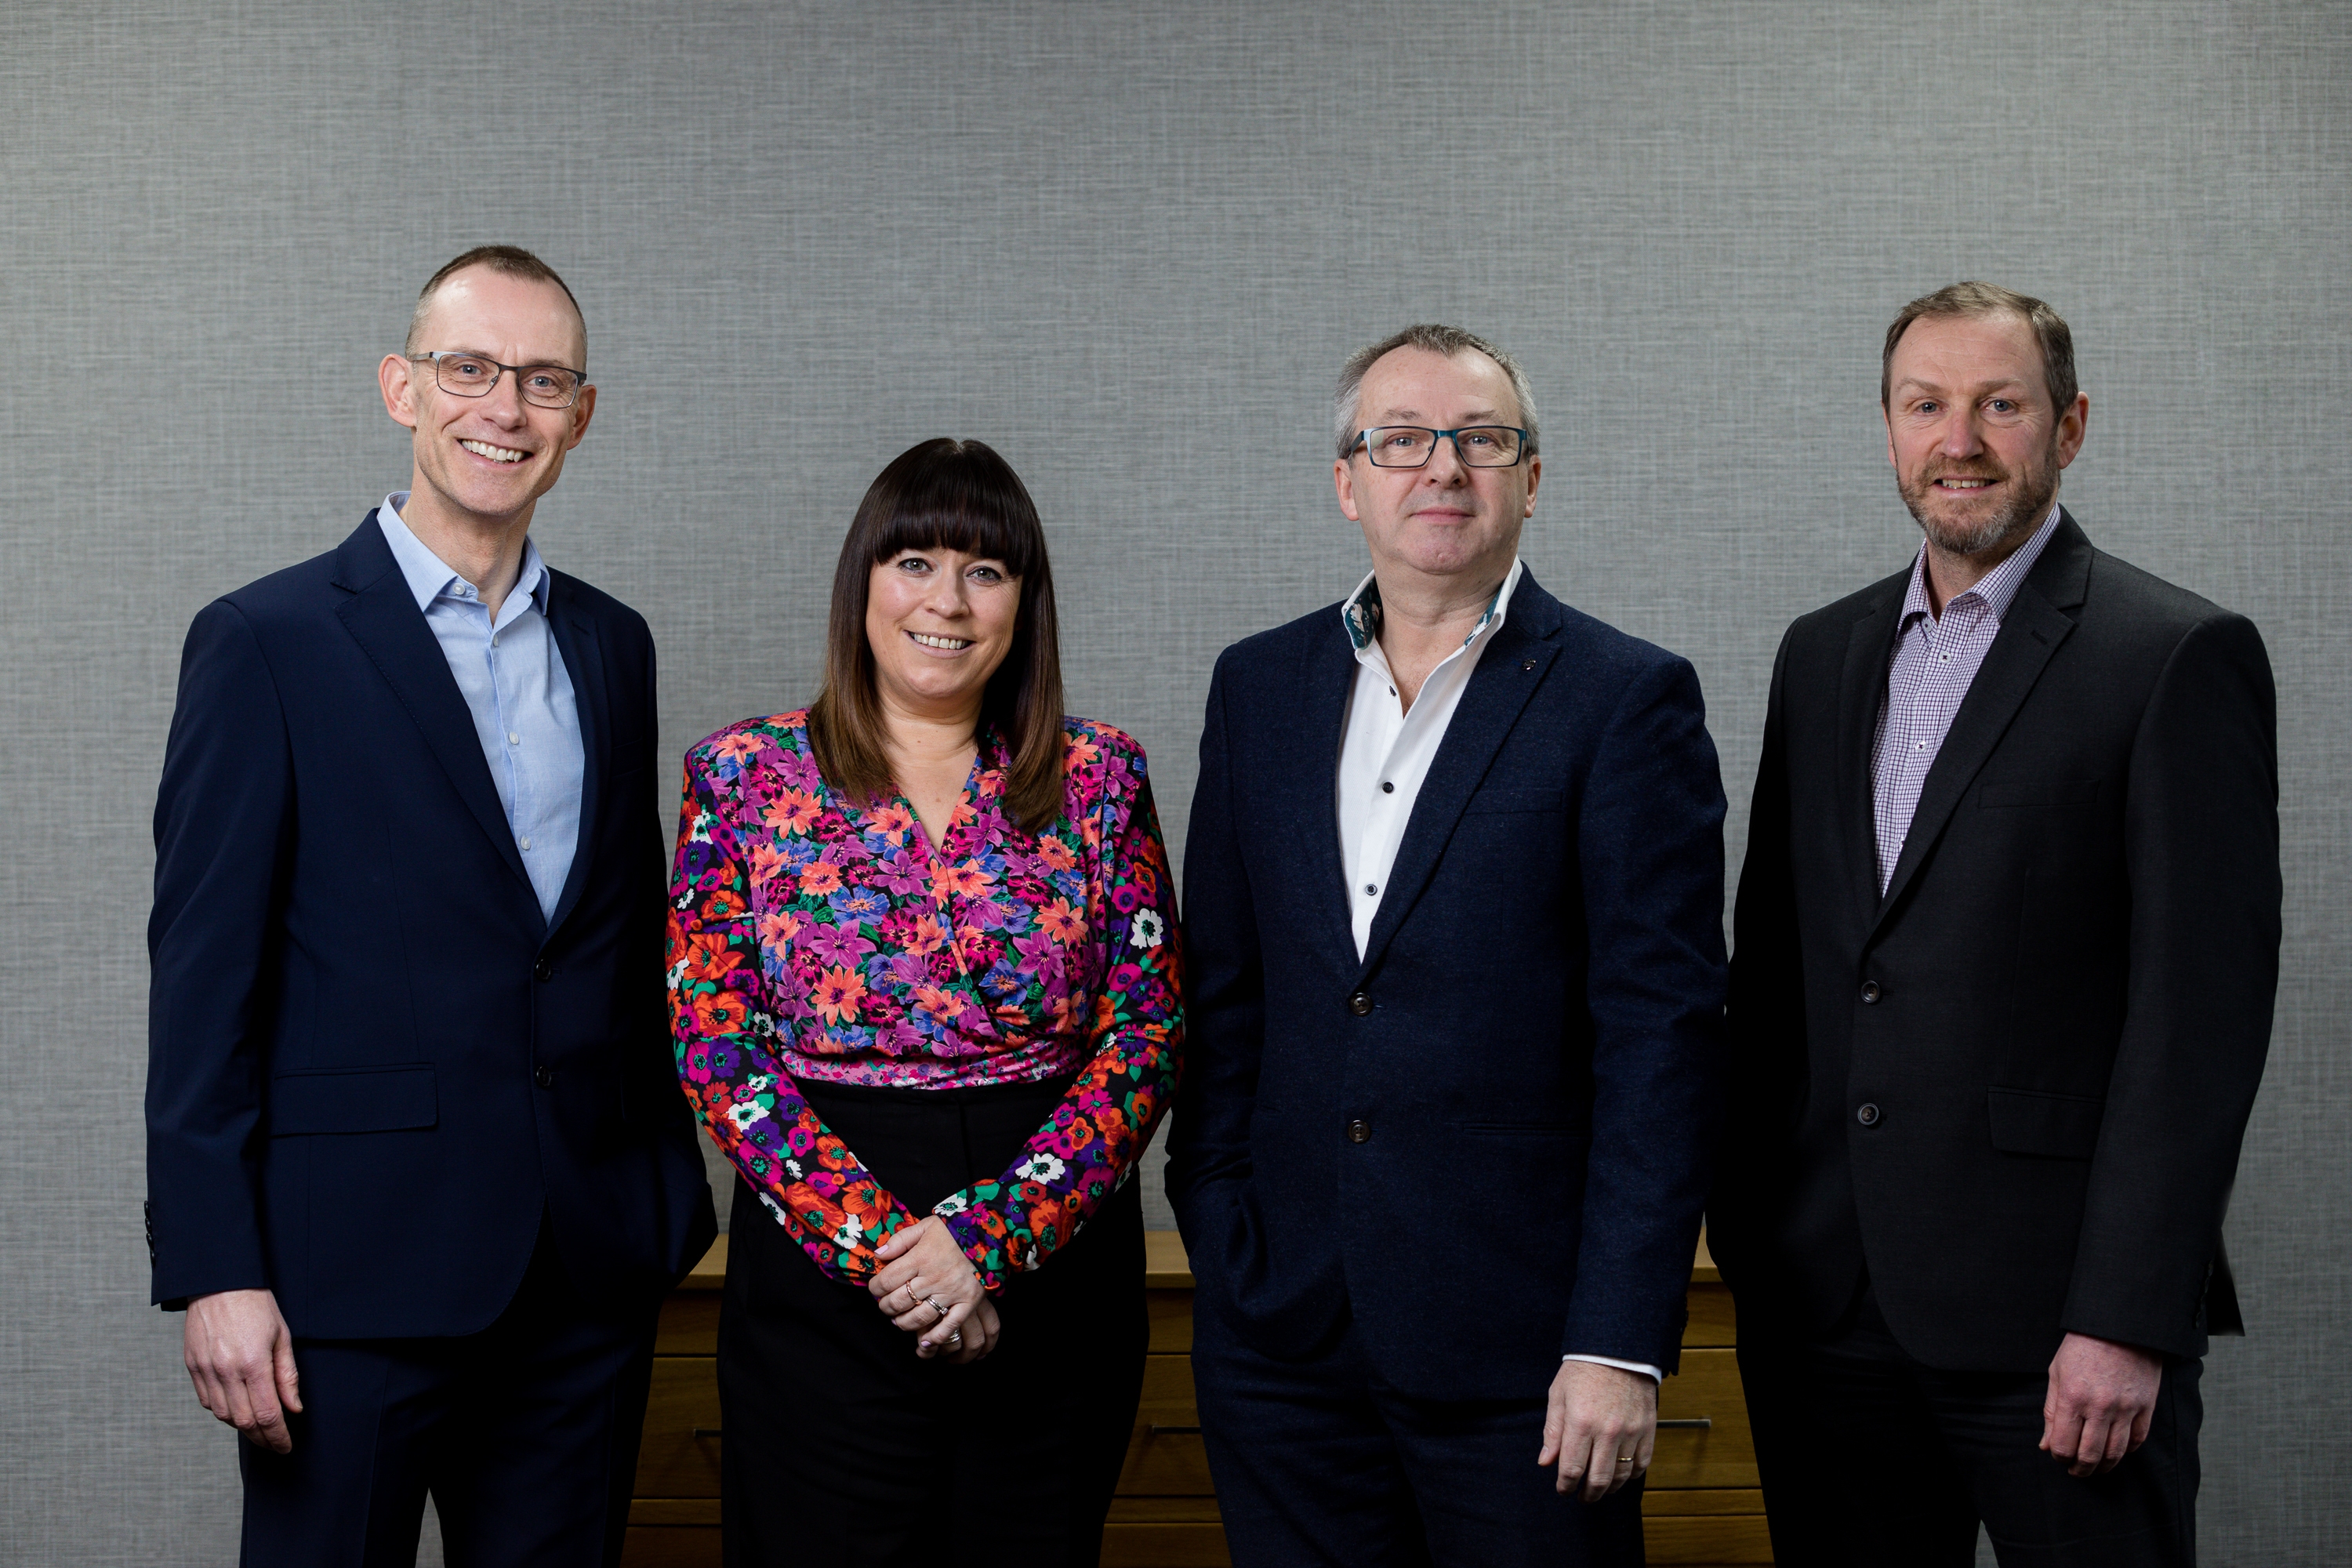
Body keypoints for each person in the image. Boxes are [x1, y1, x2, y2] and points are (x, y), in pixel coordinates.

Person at [145, 244, 718, 1563]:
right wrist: (217, 1266)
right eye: (469, 369)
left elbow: (614, 944)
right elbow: (203, 978)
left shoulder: (611, 644)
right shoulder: (267, 641)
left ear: (582, 413)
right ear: (402, 387)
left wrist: (660, 1191)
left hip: (583, 1277)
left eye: (541, 379)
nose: (501, 409)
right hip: (346, 1278)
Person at [1710, 282, 2280, 1566]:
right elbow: (1785, 973)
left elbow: (2200, 1022)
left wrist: (2130, 1319)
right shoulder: (1823, 655)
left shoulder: (2175, 655)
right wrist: (1752, 1231)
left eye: (1998, 405)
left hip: (2058, 1325)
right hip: (1824, 1306)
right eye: (1927, 405)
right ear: (1889, 427)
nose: (1957, 439)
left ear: (2069, 427)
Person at [1166, 325, 1729, 1567]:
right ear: (1347, 480)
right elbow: (1227, 992)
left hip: (1529, 1358)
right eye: (1402, 440)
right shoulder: (1258, 688)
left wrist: (1617, 1338)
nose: (1444, 469)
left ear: (1533, 476)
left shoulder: (1625, 700)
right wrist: (1217, 1221)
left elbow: (1664, 1040)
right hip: (1284, 1337)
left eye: (1482, 439)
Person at [666, 437, 1183, 1567]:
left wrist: (987, 1243)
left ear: (1023, 604)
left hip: (1056, 1273)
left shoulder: (1100, 775)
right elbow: (716, 1043)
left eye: (985, 571)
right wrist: (896, 1257)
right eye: (913, 562)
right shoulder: (742, 776)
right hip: (820, 1276)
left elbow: (1147, 1034)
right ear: (862, 583)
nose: (945, 600)